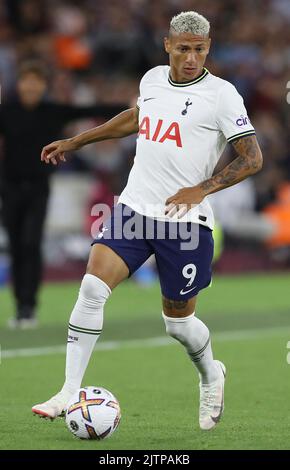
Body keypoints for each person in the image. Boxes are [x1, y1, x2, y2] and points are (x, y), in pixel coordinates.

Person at [32, 11, 263, 431]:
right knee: (91, 287)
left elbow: (252, 158)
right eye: (183, 49)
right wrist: (76, 139)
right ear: (167, 45)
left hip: (186, 221)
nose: (191, 58)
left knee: (177, 322)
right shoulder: (153, 79)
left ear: (207, 48)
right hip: (135, 210)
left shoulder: (222, 95)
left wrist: (202, 189)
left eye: (199, 49)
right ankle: (68, 391)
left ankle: (212, 373)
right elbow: (137, 118)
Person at [0, 61, 126, 328]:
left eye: (36, 81)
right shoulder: (7, 112)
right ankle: (19, 304)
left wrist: (132, 110)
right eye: (26, 81)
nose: (31, 87)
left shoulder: (52, 111)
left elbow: (90, 111)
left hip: (38, 189)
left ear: (43, 86)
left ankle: (28, 307)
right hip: (9, 188)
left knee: (31, 244)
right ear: (19, 85)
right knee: (16, 246)